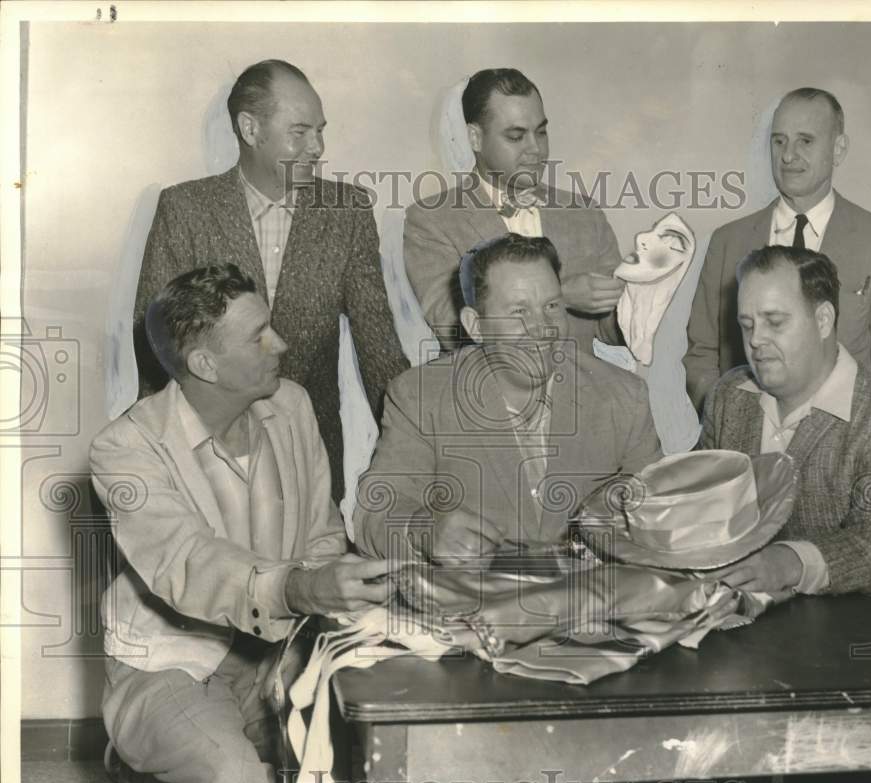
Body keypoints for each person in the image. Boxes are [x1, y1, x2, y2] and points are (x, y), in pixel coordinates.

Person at [92, 264, 395, 783]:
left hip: (281, 656)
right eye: (259, 337)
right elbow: (186, 562)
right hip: (175, 664)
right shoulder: (124, 450)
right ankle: (145, 753)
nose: (281, 343)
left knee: (379, 756)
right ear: (205, 364)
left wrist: (346, 598)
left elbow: (320, 535)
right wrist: (301, 587)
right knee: (236, 780)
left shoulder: (292, 405)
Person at [133, 59, 408, 501]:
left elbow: (378, 346)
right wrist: (160, 460)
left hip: (310, 455)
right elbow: (155, 346)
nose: (317, 146)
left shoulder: (348, 211)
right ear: (250, 128)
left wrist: (411, 444)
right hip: (203, 456)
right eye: (299, 132)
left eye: (320, 130)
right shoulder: (184, 209)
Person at [355, 234, 662, 562]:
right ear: (476, 326)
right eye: (519, 312)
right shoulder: (421, 397)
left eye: (552, 306)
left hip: (594, 602)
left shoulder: (624, 395)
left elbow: (663, 508)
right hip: (473, 606)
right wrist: (423, 530)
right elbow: (375, 513)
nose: (542, 328)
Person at [699, 246, 871, 602]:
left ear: (823, 319)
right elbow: (700, 495)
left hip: (870, 639)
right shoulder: (730, 394)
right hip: (755, 631)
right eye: (747, 324)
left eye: (775, 322)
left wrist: (788, 562)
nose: (755, 340)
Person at [684, 87, 871, 413]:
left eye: (806, 141)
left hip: (842, 444)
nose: (788, 155)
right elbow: (702, 354)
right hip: (749, 448)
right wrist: (729, 423)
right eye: (779, 141)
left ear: (838, 149)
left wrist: (828, 415)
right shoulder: (727, 241)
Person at [404, 67, 625, 356]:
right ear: (475, 138)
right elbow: (457, 332)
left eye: (541, 132)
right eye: (516, 136)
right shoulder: (431, 221)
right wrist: (561, 296)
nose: (536, 149)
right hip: (486, 395)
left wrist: (642, 302)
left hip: (577, 393)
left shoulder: (585, 214)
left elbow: (610, 330)